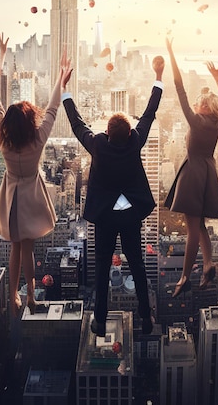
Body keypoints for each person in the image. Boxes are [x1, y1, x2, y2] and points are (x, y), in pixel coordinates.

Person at [62, 53, 165, 336]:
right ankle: (146, 317)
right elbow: (149, 112)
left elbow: (76, 123)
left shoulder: (98, 145)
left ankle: (100, 320)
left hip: (105, 216)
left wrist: (64, 90)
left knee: (102, 267)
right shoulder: (136, 141)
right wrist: (158, 77)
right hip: (131, 213)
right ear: (130, 131)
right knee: (137, 264)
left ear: (106, 132)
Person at [164, 37, 218, 298]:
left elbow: (179, 88)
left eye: (200, 101)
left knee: (192, 229)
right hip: (208, 170)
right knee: (199, 224)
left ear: (204, 107)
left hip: (192, 172)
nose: (196, 102)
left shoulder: (196, 120)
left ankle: (184, 276)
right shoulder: (217, 120)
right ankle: (209, 263)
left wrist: (171, 52)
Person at [0, 34, 71, 315]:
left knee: (14, 249)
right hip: (32, 197)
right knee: (28, 250)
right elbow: (52, 107)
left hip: (12, 199)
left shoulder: (4, 141)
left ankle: (14, 295)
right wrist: (61, 79)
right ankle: (30, 298)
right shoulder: (37, 140)